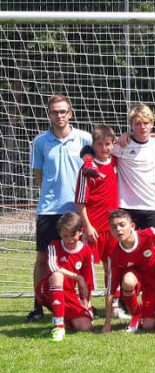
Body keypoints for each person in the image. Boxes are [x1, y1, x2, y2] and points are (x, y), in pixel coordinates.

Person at [28, 94, 92, 322]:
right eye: (55, 111)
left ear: (70, 113)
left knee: (81, 256)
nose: (59, 115)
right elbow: (38, 174)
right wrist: (50, 193)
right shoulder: (40, 142)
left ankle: (84, 301)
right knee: (43, 258)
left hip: (76, 209)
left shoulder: (85, 138)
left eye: (63, 111)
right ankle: (38, 304)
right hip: (49, 209)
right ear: (49, 114)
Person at [75, 125, 125, 319]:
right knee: (86, 268)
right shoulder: (87, 169)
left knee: (112, 267)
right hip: (93, 228)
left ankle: (113, 306)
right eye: (99, 144)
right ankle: (85, 305)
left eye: (107, 144)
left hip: (112, 228)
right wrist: (87, 226)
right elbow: (80, 202)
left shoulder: (116, 162)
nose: (104, 148)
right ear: (93, 145)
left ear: (112, 144)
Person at [103, 210, 155, 333]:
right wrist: (107, 323)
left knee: (148, 325)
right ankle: (136, 315)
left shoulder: (151, 234)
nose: (119, 230)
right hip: (137, 279)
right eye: (114, 227)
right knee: (127, 280)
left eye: (122, 225)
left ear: (132, 226)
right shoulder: (114, 255)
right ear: (110, 231)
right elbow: (110, 290)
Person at [34, 212, 94, 341]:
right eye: (65, 236)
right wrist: (77, 277)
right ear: (60, 234)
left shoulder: (86, 251)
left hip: (69, 295)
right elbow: (53, 267)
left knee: (85, 326)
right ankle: (59, 326)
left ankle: (64, 318)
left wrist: (86, 305)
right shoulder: (54, 245)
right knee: (57, 276)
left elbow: (88, 281)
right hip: (47, 290)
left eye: (73, 235)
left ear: (80, 231)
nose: (69, 240)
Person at [111, 103, 155, 229]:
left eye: (145, 123)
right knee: (126, 246)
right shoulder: (122, 144)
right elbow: (96, 148)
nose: (142, 127)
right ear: (131, 125)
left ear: (152, 123)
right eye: (137, 124)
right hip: (127, 206)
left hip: (151, 205)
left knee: (154, 245)